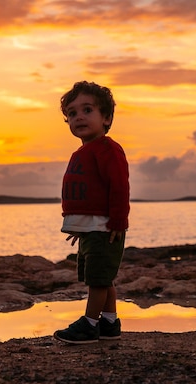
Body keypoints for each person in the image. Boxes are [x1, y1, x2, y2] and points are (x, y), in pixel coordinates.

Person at [53, 81, 130, 344]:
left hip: (106, 229)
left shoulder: (108, 149)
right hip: (91, 230)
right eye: (72, 113)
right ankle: (109, 322)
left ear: (106, 117)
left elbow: (119, 186)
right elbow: (89, 196)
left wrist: (119, 221)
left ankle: (89, 324)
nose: (79, 117)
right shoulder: (82, 152)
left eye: (87, 110)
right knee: (101, 277)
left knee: (98, 281)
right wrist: (80, 225)